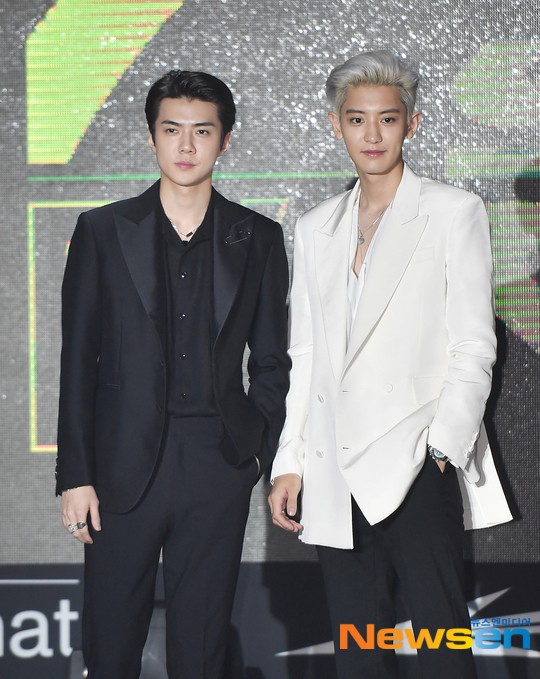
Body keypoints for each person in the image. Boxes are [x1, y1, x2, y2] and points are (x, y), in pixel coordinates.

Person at [268, 50, 512, 679]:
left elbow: (473, 343)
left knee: (440, 638)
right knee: (357, 644)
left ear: (412, 123)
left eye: (387, 119)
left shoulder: (453, 210)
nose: (371, 134)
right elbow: (306, 355)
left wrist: (443, 447)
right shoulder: (316, 226)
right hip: (334, 463)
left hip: (416, 458)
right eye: (357, 119)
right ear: (336, 125)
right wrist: (290, 461)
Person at [56, 69, 290, 679]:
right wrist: (75, 475)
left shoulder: (258, 237)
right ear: (151, 137)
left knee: (203, 651)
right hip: (120, 466)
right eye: (172, 130)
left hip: (218, 462)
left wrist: (255, 453)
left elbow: (271, 358)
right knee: (110, 646)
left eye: (202, 132)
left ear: (225, 140)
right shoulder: (102, 231)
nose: (186, 146)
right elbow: (78, 361)